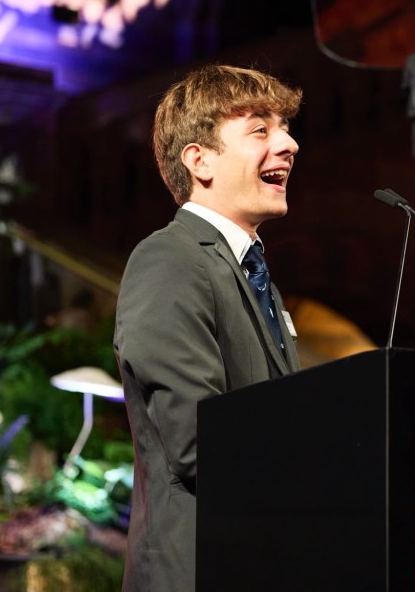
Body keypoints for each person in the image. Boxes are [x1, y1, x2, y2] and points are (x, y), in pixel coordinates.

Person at [114, 64, 302, 592]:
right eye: (260, 129)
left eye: (285, 128)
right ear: (199, 161)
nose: (288, 145)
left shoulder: (250, 274)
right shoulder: (170, 260)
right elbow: (201, 441)